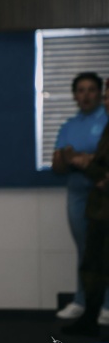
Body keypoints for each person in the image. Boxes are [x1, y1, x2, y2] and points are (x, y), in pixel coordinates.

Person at [52, 72, 109, 321]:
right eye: (81, 90)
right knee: (84, 249)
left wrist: (84, 159)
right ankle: (81, 301)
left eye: (92, 90)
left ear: (100, 94)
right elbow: (58, 163)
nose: (86, 95)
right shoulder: (69, 126)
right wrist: (71, 158)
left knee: (104, 248)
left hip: (102, 193)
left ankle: (106, 305)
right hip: (77, 193)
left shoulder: (106, 120)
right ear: (75, 95)